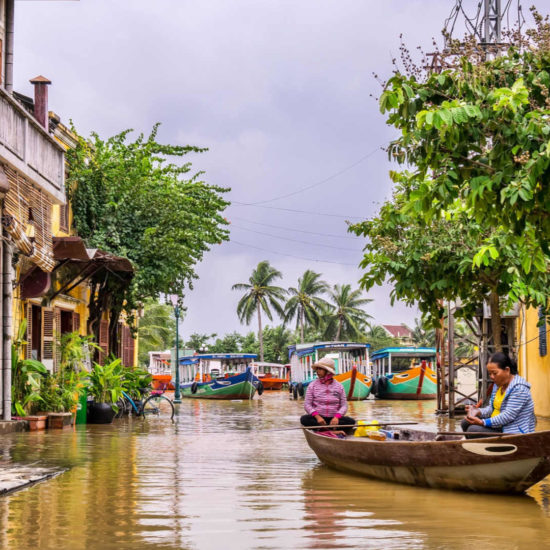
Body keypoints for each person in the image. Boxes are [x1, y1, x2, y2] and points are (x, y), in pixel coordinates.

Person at [461, 352, 536, 437]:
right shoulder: (497, 385)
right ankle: (473, 447)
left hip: (511, 430)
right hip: (499, 426)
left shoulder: (519, 389)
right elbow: (491, 409)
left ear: (507, 370)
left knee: (473, 430)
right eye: (490, 373)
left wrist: (483, 422)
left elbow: (507, 416)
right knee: (465, 422)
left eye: (495, 373)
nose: (492, 377)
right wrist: (477, 411)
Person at [300, 357, 355, 434]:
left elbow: (344, 406)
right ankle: (332, 431)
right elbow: (307, 405)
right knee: (304, 419)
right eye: (317, 369)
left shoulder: (339, 386)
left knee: (351, 421)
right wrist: (318, 417)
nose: (317, 371)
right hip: (319, 420)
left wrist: (336, 417)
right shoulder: (312, 385)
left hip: (333, 420)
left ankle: (324, 430)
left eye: (320, 369)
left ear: (328, 371)